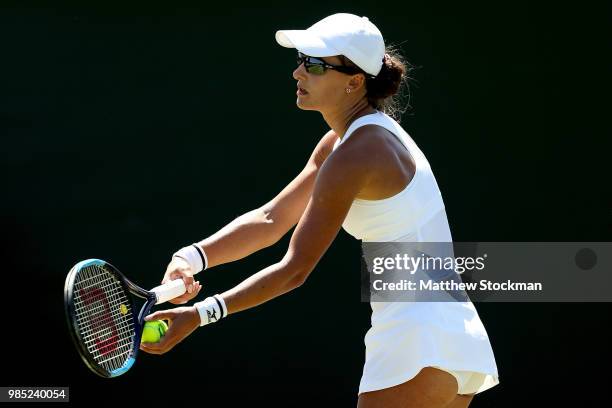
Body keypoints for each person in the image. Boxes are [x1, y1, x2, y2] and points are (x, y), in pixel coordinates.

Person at [140, 13, 499, 408]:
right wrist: (191, 258)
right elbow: (271, 219)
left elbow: (294, 270)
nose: (297, 72)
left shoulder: (358, 154)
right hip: (453, 344)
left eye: (313, 65)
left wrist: (201, 314)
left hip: (419, 342)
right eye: (299, 59)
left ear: (354, 81)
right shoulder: (344, 144)